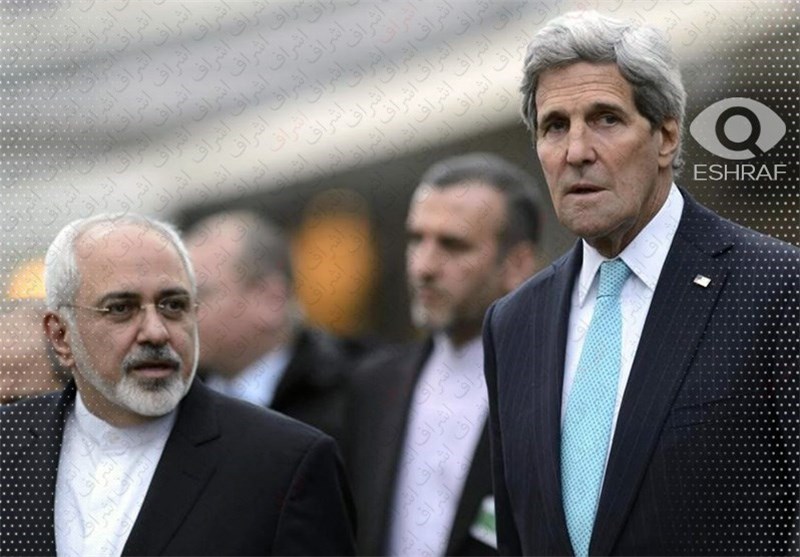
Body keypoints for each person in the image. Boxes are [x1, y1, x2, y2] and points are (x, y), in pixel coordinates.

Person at [483, 11, 799, 556]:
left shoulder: (774, 287)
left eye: (605, 119)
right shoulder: (513, 323)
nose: (576, 151)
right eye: (554, 126)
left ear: (666, 136)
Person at [0, 213, 356, 556]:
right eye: (121, 308)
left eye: (173, 305)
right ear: (60, 336)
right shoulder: (9, 441)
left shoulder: (285, 462)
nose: (156, 332)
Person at [345, 153, 542, 556]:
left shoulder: (558, 388)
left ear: (517, 264)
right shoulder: (373, 385)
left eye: (453, 245)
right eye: (416, 239)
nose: (424, 266)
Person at [185, 210, 364, 445]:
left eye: (200, 295)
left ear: (271, 299)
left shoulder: (361, 396)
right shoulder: (173, 404)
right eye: (174, 299)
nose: (178, 314)